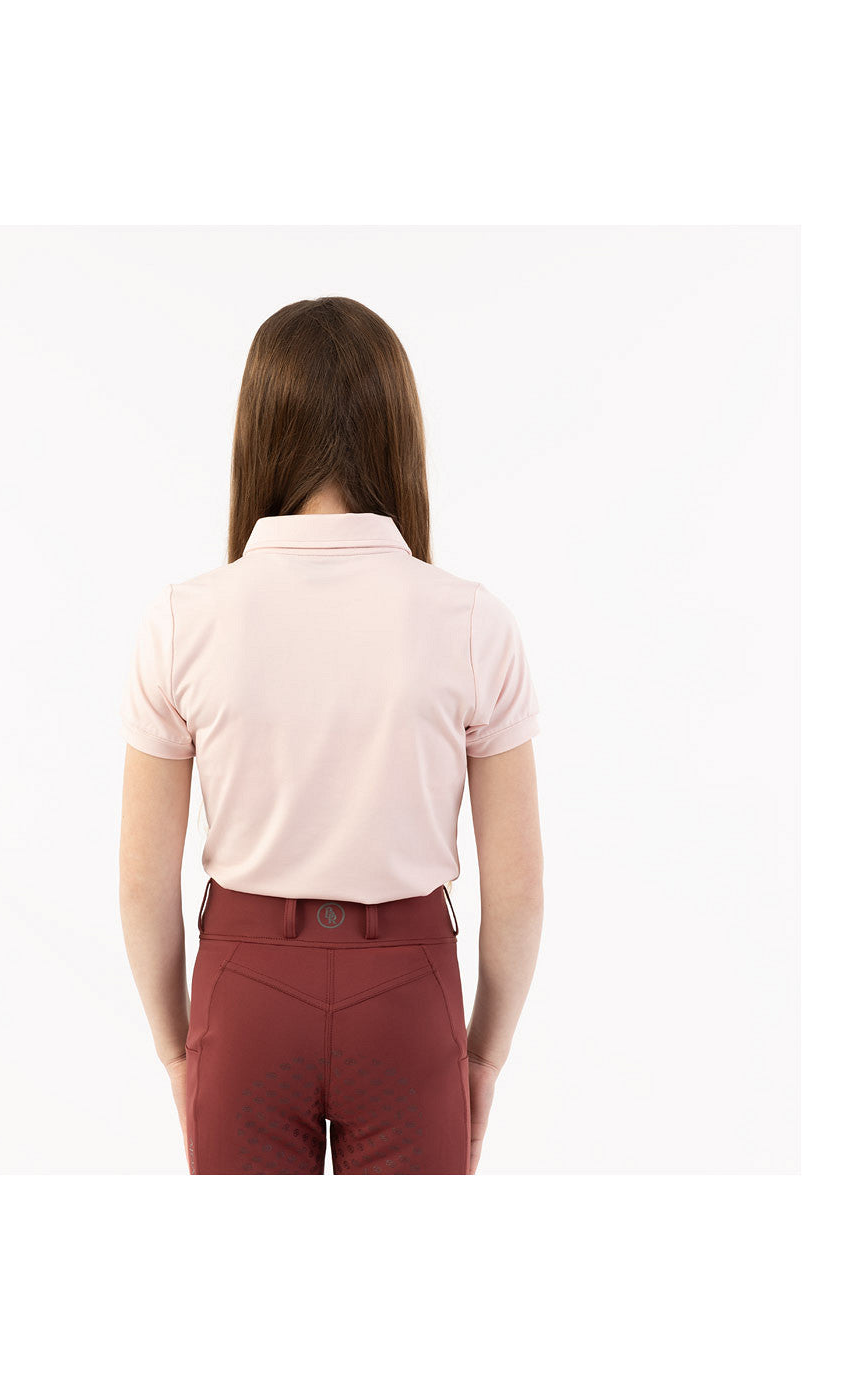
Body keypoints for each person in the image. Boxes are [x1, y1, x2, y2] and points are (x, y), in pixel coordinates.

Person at [118, 296, 544, 1174]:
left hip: (244, 995)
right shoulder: (472, 621)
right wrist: (482, 1058)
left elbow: (140, 883)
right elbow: (520, 889)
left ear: (259, 431)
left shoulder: (183, 621)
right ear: (398, 432)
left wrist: (177, 1052)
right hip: (408, 998)